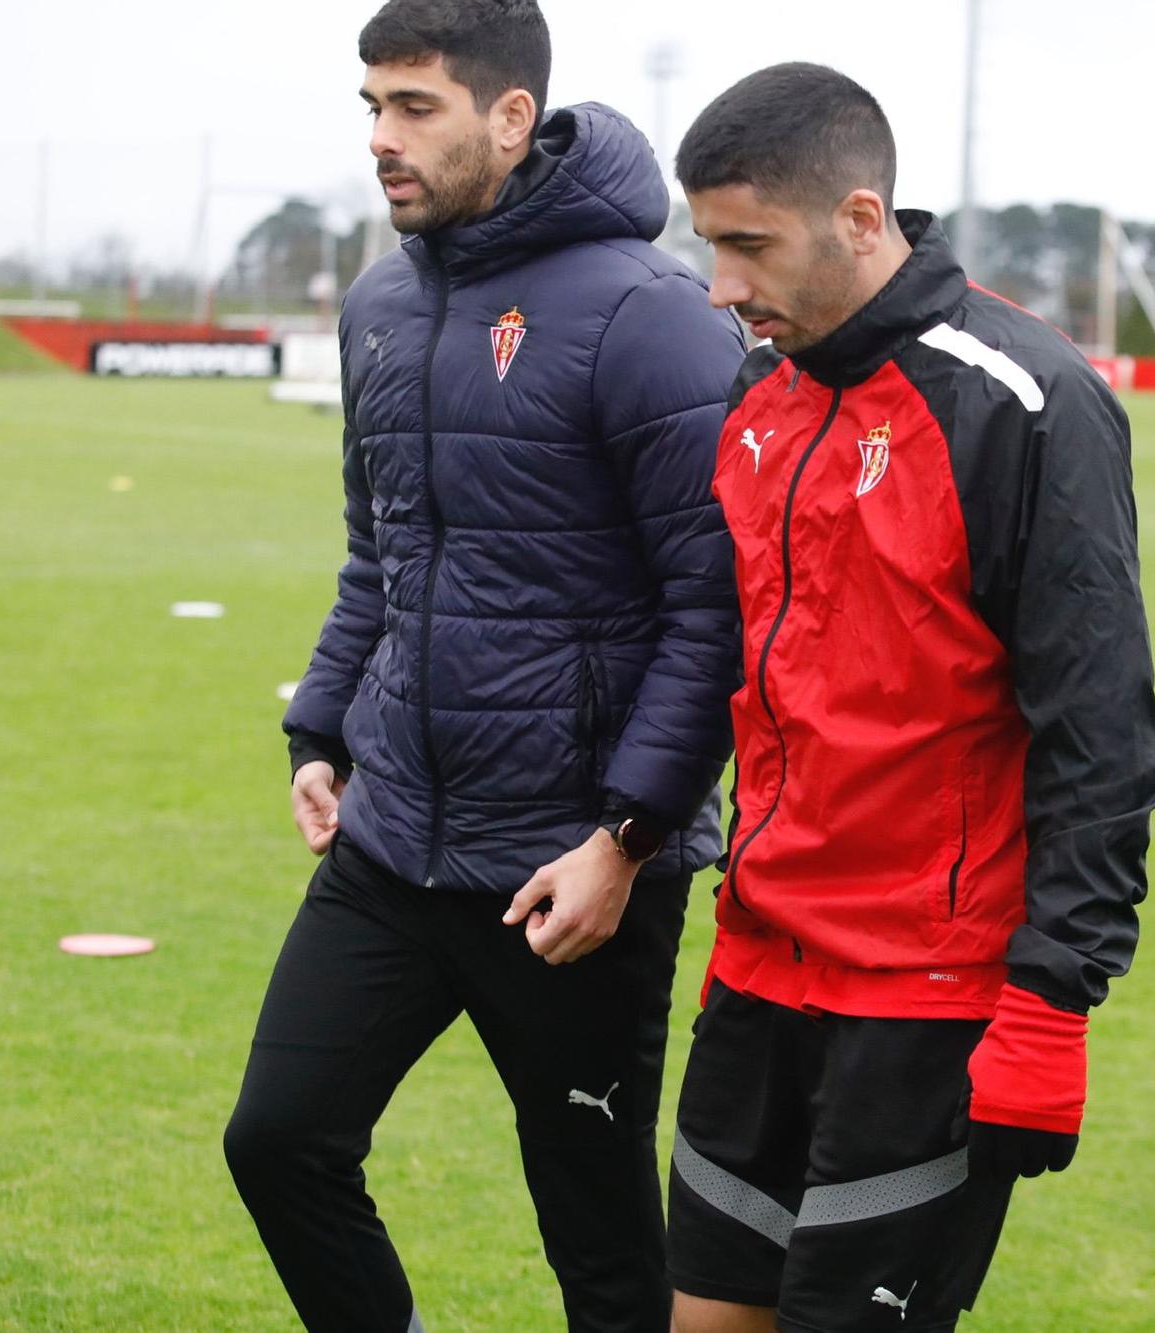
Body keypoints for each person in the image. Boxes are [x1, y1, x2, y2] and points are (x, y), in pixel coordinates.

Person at [220, 2, 744, 1329]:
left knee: (603, 1245)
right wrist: (320, 733)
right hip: (392, 842)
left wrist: (624, 839)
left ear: (511, 117)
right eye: (372, 108)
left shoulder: (652, 317)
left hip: (568, 872)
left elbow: (714, 609)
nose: (383, 140)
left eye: (416, 108)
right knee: (277, 1141)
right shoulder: (380, 305)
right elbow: (379, 558)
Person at [665, 63, 1155, 1332]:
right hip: (755, 970)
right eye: (707, 245)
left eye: (747, 246)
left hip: (924, 1003)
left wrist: (1053, 1001)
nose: (722, 287)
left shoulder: (1024, 399)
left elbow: (1099, 732)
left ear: (856, 215)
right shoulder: (755, 401)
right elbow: (730, 671)